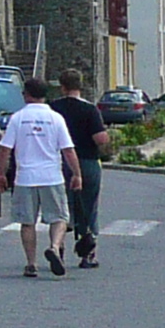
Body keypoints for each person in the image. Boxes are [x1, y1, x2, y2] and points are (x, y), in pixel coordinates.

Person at [0, 89, 84, 278]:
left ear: (25, 95)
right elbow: (68, 149)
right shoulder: (56, 118)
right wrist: (77, 173)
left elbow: (5, 149)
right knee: (59, 217)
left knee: (27, 222)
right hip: (51, 175)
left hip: (25, 177)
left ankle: (31, 263)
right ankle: (54, 246)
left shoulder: (18, 118)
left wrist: (1, 174)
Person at [45, 71, 116, 267]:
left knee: (60, 207)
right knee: (88, 207)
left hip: (58, 162)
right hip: (86, 160)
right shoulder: (89, 109)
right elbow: (100, 138)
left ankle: (57, 247)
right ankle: (88, 254)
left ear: (62, 86)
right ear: (80, 85)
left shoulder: (53, 109)